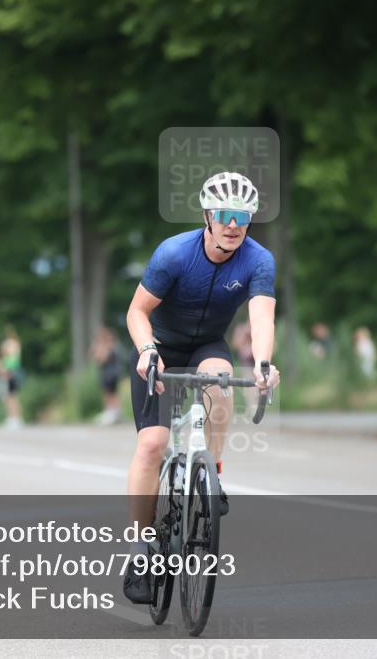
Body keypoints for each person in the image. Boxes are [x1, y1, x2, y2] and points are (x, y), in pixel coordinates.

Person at [122, 171, 281, 604]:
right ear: (208, 216)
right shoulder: (173, 253)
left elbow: (261, 317)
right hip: (160, 348)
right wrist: (146, 349)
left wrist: (264, 364)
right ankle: (139, 552)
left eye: (243, 216)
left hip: (207, 344)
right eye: (226, 215)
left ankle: (212, 476)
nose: (234, 224)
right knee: (152, 446)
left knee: (220, 384)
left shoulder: (258, 259)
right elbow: (137, 312)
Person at [0, 327, 23, 430]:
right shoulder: (13, 348)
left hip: (10, 373)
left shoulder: (11, 351)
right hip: (10, 372)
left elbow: (9, 364)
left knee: (11, 397)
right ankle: (13, 418)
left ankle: (15, 418)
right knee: (11, 397)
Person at [91, 326, 123, 426]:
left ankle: (113, 413)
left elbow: (101, 358)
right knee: (110, 393)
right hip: (109, 373)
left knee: (110, 393)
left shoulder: (110, 346)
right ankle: (113, 412)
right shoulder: (111, 346)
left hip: (110, 373)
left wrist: (99, 348)